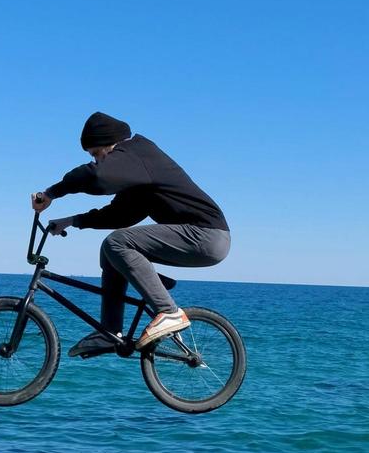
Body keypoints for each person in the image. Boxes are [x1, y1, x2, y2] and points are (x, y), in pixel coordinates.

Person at [31, 112, 231, 357]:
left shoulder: (137, 153)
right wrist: (72, 221)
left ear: (110, 144)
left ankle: (168, 311)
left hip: (206, 235)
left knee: (118, 242)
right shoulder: (137, 174)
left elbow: (97, 177)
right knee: (111, 249)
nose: (97, 160)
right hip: (197, 238)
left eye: (96, 154)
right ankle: (110, 331)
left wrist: (51, 192)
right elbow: (119, 215)